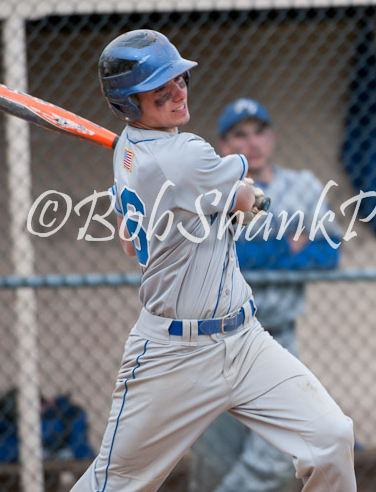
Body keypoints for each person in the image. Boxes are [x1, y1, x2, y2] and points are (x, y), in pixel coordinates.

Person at [71, 29, 356, 492]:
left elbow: (129, 242)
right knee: (114, 483)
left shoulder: (129, 153)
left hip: (244, 340)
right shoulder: (184, 155)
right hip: (172, 354)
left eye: (179, 80)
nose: (177, 93)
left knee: (330, 437)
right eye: (159, 89)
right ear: (127, 105)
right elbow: (242, 195)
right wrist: (249, 200)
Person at [187, 98, 343, 492]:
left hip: (276, 337)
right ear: (223, 145)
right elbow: (216, 257)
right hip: (215, 339)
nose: (252, 142)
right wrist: (283, 245)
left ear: (271, 138)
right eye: (240, 134)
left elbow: (328, 252)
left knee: (282, 453)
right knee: (215, 458)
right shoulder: (209, 193)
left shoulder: (303, 186)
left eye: (259, 132)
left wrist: (254, 250)